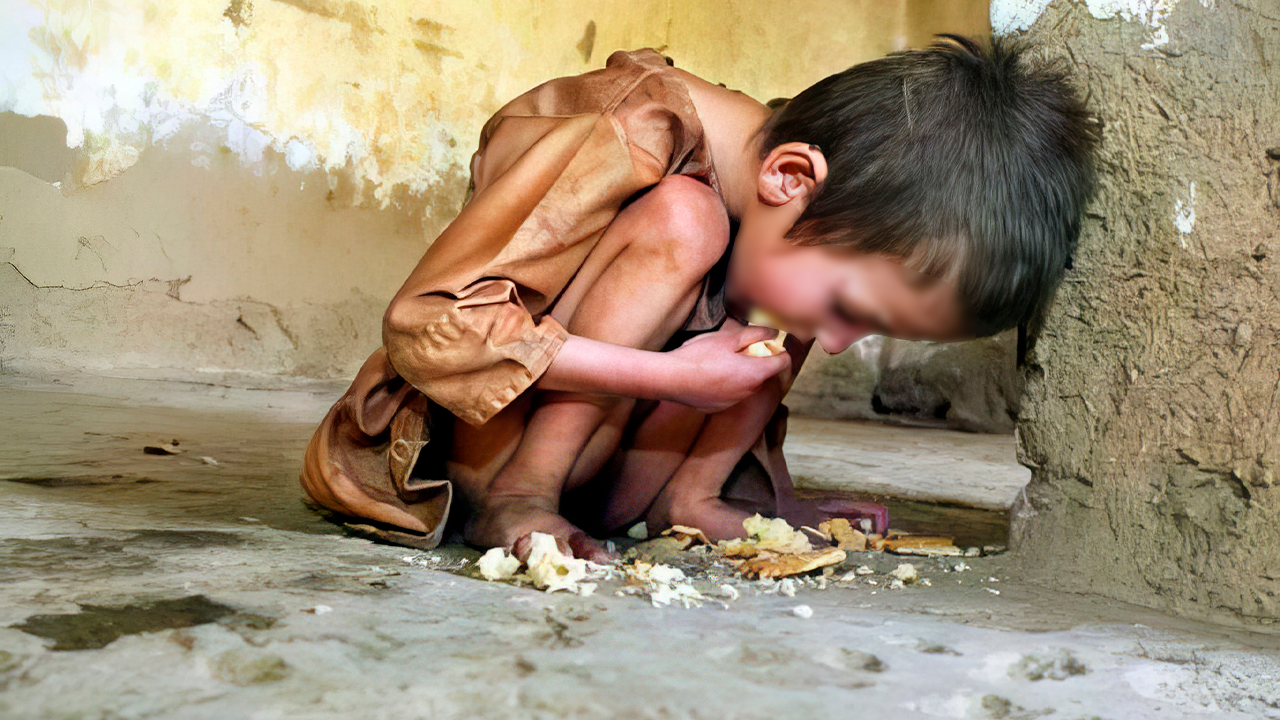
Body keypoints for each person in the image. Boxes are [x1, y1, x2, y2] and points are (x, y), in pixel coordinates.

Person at [299, 34, 1100, 562]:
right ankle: (520, 498)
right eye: (859, 311)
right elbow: (430, 326)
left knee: (787, 287)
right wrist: (671, 379)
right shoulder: (624, 130)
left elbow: (787, 286)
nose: (844, 342)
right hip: (462, 450)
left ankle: (696, 495)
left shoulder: (802, 192)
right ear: (790, 175)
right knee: (692, 224)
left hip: (610, 477)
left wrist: (773, 498)